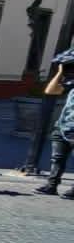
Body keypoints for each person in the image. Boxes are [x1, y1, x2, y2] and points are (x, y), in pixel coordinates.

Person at [34, 48, 74, 198]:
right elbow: (50, 91)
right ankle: (52, 186)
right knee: (57, 158)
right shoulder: (72, 82)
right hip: (64, 126)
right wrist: (60, 72)